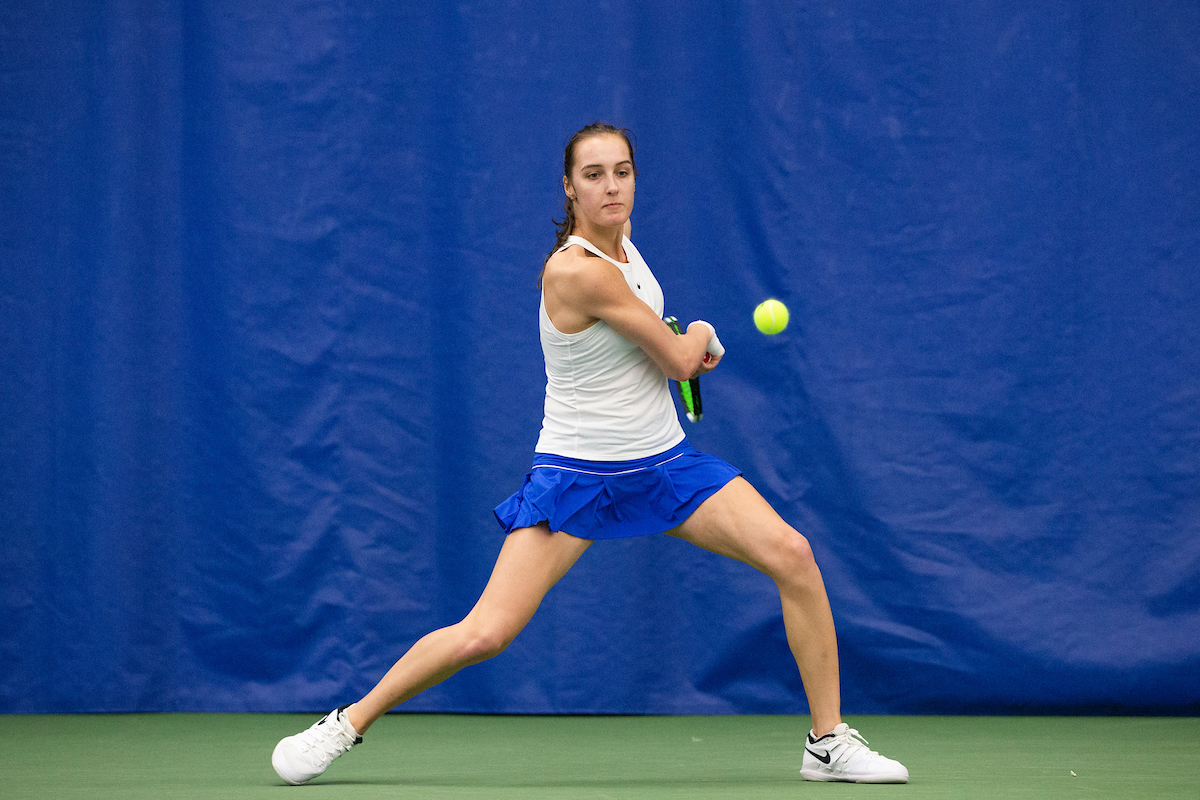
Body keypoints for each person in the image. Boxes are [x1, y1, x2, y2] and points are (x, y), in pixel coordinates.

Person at [271, 122, 909, 785]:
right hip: (577, 476)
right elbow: (677, 355)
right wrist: (699, 338)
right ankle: (345, 725)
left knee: (794, 555)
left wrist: (677, 347)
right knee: (486, 632)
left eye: (623, 172)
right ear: (569, 187)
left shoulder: (628, 250)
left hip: (664, 465)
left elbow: (646, 348)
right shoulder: (576, 271)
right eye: (595, 174)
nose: (612, 187)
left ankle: (826, 741)